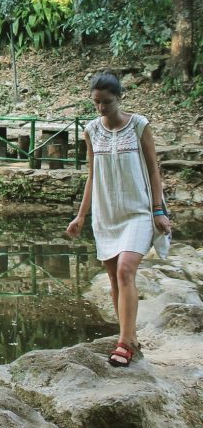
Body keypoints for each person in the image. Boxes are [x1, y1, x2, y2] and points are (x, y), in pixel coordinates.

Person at [66, 71, 171, 367]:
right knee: (113, 276)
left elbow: (153, 170)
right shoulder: (91, 130)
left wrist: (158, 210)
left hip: (137, 211)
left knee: (126, 269)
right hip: (106, 213)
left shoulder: (138, 126)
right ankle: (129, 336)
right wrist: (81, 216)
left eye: (107, 102)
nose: (101, 108)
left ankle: (124, 343)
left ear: (119, 98)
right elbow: (92, 176)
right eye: (97, 102)